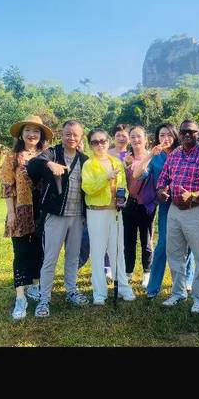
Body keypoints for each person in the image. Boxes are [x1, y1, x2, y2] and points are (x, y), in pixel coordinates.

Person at [156, 119, 199, 313]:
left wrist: (193, 195)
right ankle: (178, 293)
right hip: (175, 210)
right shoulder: (174, 155)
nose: (187, 135)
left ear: (198, 134)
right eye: (184, 131)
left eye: (191, 132)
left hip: (196, 210)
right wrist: (161, 190)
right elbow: (163, 178)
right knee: (174, 253)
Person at [26, 120, 89, 317]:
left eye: (75, 134)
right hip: (55, 216)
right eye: (67, 133)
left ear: (81, 137)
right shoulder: (52, 153)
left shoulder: (84, 159)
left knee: (72, 257)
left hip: (77, 217)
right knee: (50, 259)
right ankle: (44, 299)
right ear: (62, 134)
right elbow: (32, 165)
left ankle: (71, 291)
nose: (71, 137)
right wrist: (49, 163)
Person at [131, 122, 195, 299]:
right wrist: (149, 155)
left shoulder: (184, 152)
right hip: (166, 206)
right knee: (163, 246)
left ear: (175, 136)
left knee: (188, 243)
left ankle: (188, 280)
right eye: (161, 135)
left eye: (168, 135)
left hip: (187, 203)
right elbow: (137, 174)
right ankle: (153, 287)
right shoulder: (156, 156)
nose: (165, 139)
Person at [1, 114, 53, 320]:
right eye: (28, 130)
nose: (32, 134)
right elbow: (7, 187)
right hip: (21, 212)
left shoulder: (47, 155)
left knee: (39, 251)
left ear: (41, 135)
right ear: (21, 134)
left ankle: (34, 285)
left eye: (36, 131)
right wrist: (11, 213)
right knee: (21, 254)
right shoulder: (13, 156)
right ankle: (20, 297)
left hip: (42, 212)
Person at [81, 127, 129, 306]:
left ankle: (123, 287)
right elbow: (88, 187)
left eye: (103, 141)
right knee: (98, 252)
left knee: (118, 251)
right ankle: (99, 293)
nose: (100, 144)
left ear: (108, 142)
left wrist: (123, 198)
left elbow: (124, 186)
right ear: (90, 145)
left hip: (115, 212)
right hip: (96, 212)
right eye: (95, 142)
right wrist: (105, 177)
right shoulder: (88, 164)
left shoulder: (116, 162)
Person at [122, 126, 156, 288]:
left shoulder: (154, 158)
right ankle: (128, 271)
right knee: (128, 240)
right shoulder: (126, 159)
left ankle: (147, 272)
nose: (136, 140)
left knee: (146, 241)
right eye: (133, 137)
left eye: (139, 137)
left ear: (146, 139)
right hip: (129, 205)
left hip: (147, 206)